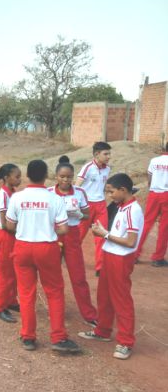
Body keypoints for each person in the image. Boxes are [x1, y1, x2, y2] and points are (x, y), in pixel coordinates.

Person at [5, 160, 80, 353]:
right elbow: (64, 228)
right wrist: (47, 227)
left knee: (26, 292)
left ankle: (28, 337)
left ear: (28, 175)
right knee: (54, 292)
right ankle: (58, 337)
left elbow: (10, 226)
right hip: (47, 248)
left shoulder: (17, 197)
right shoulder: (54, 198)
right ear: (46, 176)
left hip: (22, 247)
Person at [79, 173, 144, 360]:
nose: (109, 195)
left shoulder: (133, 210)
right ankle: (103, 330)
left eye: (111, 192)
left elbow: (131, 242)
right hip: (110, 254)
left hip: (121, 259)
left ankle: (125, 342)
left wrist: (105, 234)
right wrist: (104, 233)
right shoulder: (120, 206)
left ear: (123, 190)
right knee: (104, 296)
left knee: (121, 299)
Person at [50, 156, 98, 326]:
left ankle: (89, 313)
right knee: (53, 276)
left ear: (73, 176)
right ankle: (56, 309)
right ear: (56, 176)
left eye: (69, 177)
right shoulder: (49, 193)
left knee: (78, 275)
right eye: (62, 176)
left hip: (72, 234)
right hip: (54, 234)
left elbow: (86, 215)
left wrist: (78, 214)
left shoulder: (80, 192)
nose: (66, 180)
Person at [0, 163, 22, 323]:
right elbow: (4, 223)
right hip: (6, 235)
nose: (19, 179)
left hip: (12, 235)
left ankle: (11, 300)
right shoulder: (4, 194)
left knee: (13, 271)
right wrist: (20, 230)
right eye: (17, 176)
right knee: (5, 273)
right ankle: (0, 307)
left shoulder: (12, 192)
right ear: (6, 178)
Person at [76, 142, 112, 273]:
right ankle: (66, 256)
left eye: (109, 154)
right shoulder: (87, 168)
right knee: (78, 235)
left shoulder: (108, 169)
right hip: (86, 205)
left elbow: (103, 186)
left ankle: (100, 267)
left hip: (101, 205)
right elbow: (77, 186)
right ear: (97, 154)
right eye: (106, 154)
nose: (109, 156)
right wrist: (77, 204)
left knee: (101, 235)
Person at [136, 143, 168, 267]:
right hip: (167, 194)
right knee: (164, 227)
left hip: (154, 194)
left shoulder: (154, 160)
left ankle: (134, 254)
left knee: (146, 223)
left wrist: (153, 187)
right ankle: (158, 257)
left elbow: (149, 178)